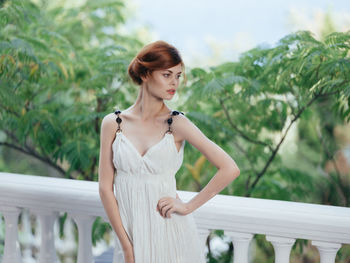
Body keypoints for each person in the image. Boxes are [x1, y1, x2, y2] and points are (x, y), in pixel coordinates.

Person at [98, 40, 240, 263]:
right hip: (130, 239)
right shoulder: (112, 124)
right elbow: (106, 189)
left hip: (172, 234)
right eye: (167, 75)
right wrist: (127, 247)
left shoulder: (177, 123)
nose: (174, 82)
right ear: (145, 74)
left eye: (178, 76)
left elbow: (230, 168)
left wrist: (188, 206)